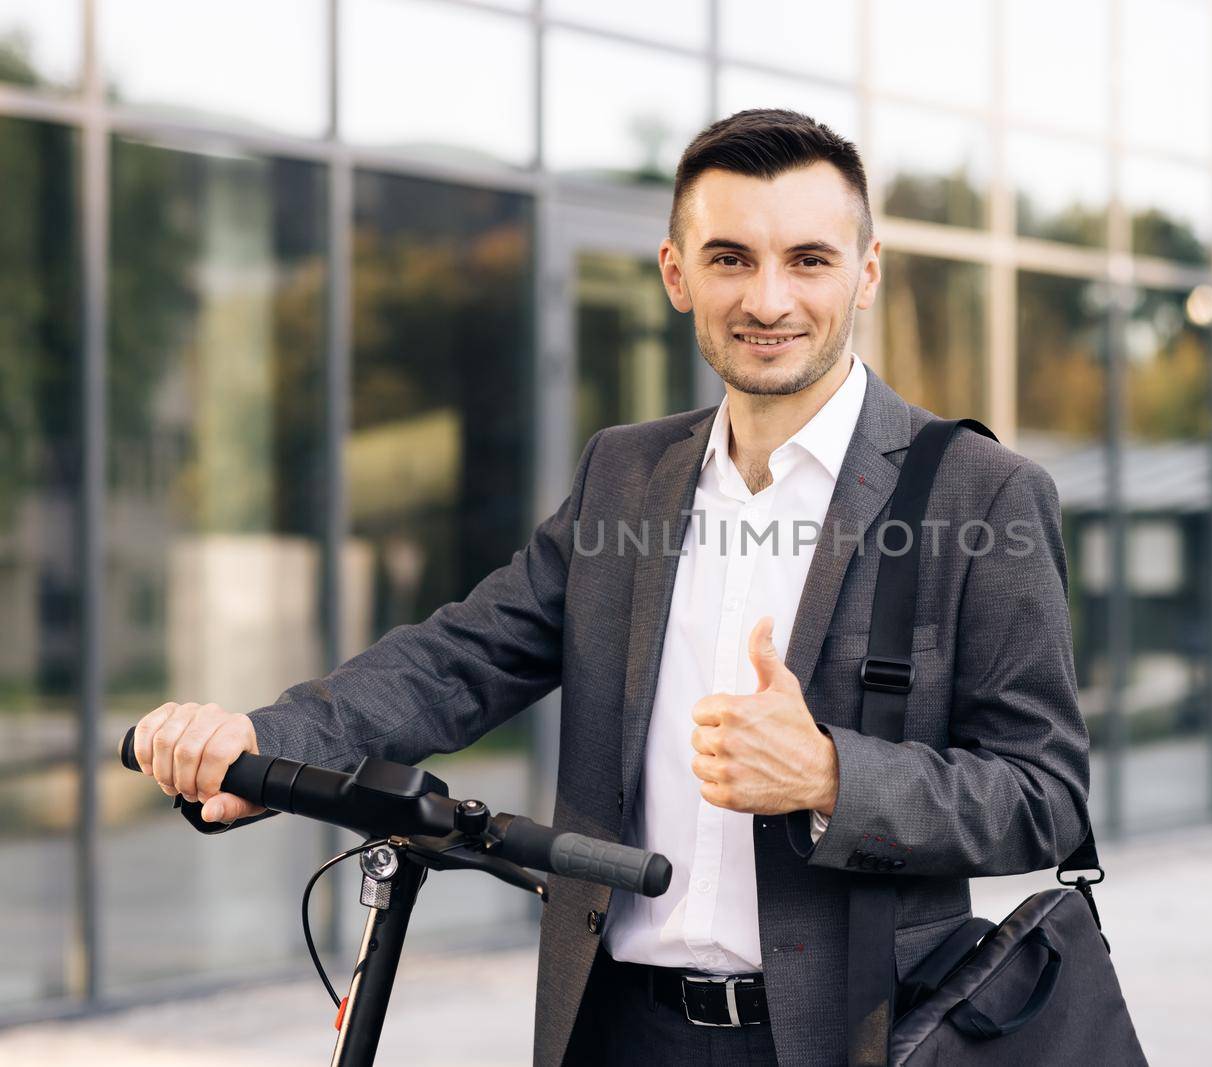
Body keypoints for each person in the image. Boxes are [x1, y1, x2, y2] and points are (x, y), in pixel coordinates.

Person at [131, 108, 1090, 1066]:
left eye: (808, 259)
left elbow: (1045, 795)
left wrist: (833, 776)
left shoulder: (982, 491)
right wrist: (270, 739)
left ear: (866, 272)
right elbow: (465, 656)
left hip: (849, 1038)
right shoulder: (626, 473)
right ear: (676, 274)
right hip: (612, 1028)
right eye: (729, 259)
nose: (768, 299)